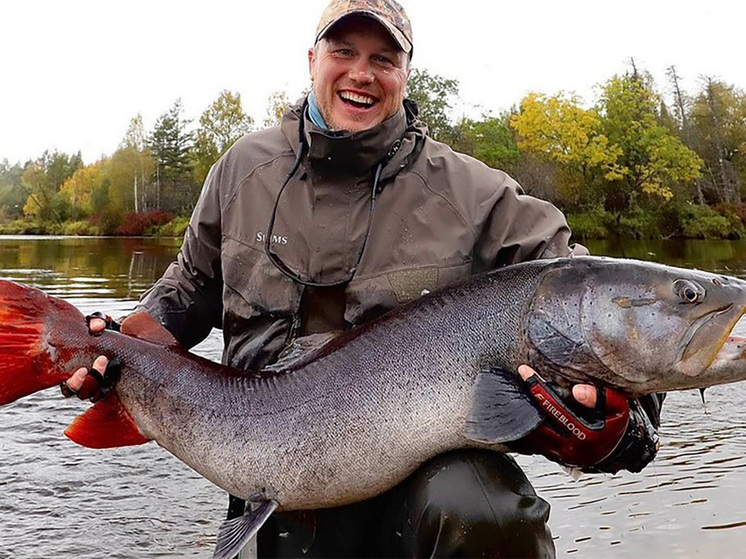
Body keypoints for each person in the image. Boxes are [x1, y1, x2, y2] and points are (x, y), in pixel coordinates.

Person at [63, 1, 662, 557]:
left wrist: (625, 429)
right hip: (267, 468)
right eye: (343, 51)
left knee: (488, 514)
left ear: (406, 73)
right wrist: (108, 348)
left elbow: (593, 306)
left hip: (429, 480)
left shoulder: (478, 196)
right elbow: (188, 292)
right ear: (311, 61)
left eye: (384, 58)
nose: (362, 73)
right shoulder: (242, 171)